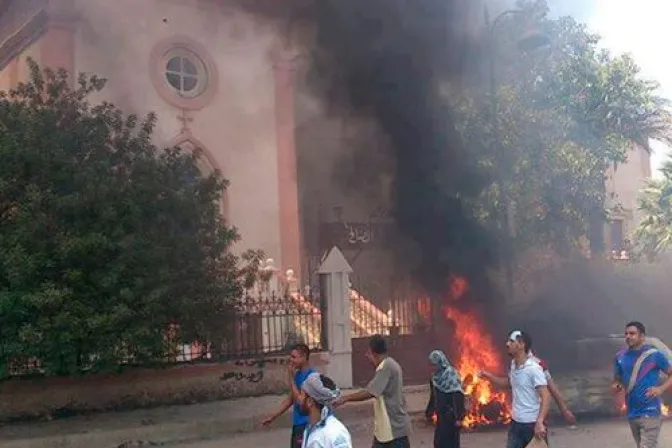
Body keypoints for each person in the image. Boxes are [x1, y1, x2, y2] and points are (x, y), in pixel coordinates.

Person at [334, 334, 411, 447]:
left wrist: (346, 398)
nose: (367, 356)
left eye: (368, 353)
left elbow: (370, 392)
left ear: (373, 352)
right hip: (386, 428)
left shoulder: (386, 367)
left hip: (392, 427)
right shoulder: (389, 364)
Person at [479, 330, 551, 448]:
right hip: (516, 424)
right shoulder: (514, 365)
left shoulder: (534, 369)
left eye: (511, 341)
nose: (507, 344)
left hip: (532, 425)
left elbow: (546, 396)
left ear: (522, 345)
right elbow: (509, 383)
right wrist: (489, 377)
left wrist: (540, 421)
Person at [612, 321, 672, 448]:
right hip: (632, 412)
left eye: (632, 333)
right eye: (626, 334)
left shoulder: (654, 355)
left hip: (650, 411)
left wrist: (661, 389)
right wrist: (616, 386)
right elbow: (617, 379)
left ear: (642, 336)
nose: (628, 336)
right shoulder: (620, 357)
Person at [262, 343, 316, 448]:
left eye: (294, 357)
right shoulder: (298, 374)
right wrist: (273, 416)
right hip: (298, 424)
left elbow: (301, 402)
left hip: (307, 424)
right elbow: (290, 399)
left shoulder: (312, 377)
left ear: (304, 357)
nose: (291, 360)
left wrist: (290, 377)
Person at [292, 372, 353, 448]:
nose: (299, 400)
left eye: (302, 394)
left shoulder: (335, 432)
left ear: (310, 402)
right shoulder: (310, 427)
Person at [424, 350, 466, 448]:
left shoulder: (451, 375)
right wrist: (429, 412)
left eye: (434, 365)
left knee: (451, 444)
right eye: (430, 365)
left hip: (451, 417)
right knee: (438, 443)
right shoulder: (434, 378)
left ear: (440, 363)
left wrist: (459, 417)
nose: (432, 368)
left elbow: (458, 396)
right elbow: (433, 396)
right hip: (441, 417)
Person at [524, 350, 577, 425]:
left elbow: (551, 386)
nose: (508, 345)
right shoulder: (514, 365)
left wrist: (564, 410)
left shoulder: (538, 364)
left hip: (535, 416)